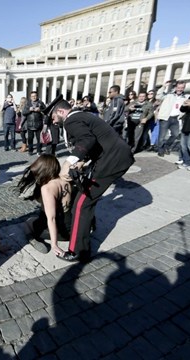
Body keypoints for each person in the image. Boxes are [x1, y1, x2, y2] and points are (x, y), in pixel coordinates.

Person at [44, 94, 134, 262]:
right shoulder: (82, 115)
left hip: (111, 161)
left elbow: (87, 139)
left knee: (81, 204)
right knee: (84, 199)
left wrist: (70, 161)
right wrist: (83, 161)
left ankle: (78, 251)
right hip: (113, 158)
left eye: (54, 117)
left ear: (61, 111)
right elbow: (94, 142)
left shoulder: (71, 120)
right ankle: (87, 231)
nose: (54, 122)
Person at [17, 154, 73, 256]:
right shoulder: (65, 180)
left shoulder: (47, 188)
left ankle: (33, 240)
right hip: (71, 228)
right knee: (35, 218)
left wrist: (54, 244)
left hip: (61, 232)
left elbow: (51, 219)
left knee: (27, 222)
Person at [155, 80, 188, 158]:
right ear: (175, 87)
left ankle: (166, 146)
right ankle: (160, 149)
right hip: (166, 117)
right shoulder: (169, 95)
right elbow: (158, 96)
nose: (180, 89)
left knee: (175, 134)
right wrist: (163, 87)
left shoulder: (185, 97)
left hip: (176, 118)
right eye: (178, 87)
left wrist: (182, 115)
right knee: (162, 136)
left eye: (182, 88)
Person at [22, 91, 46, 155]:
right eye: (32, 96)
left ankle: (39, 151)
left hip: (39, 124)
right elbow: (23, 113)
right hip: (30, 124)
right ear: (30, 97)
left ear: (37, 96)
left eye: (35, 96)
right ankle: (30, 150)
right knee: (30, 139)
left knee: (39, 139)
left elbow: (46, 111)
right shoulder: (27, 103)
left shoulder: (41, 103)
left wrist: (40, 110)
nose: (34, 97)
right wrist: (29, 110)